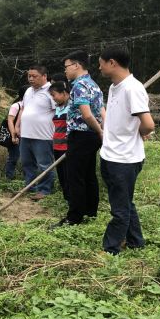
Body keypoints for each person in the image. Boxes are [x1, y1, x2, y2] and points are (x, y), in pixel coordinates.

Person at [98, 45, 154, 255]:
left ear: (112, 63)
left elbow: (148, 124)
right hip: (111, 155)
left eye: (101, 63)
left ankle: (110, 249)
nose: (100, 68)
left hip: (125, 159)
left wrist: (137, 133)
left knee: (120, 210)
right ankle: (136, 241)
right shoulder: (115, 86)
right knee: (124, 203)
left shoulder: (133, 88)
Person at [53, 51, 105, 227]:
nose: (65, 71)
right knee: (89, 174)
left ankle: (74, 217)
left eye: (66, 67)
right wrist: (101, 130)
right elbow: (101, 111)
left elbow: (87, 114)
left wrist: (100, 131)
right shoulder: (94, 85)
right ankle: (90, 211)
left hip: (81, 134)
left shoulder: (79, 86)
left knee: (74, 176)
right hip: (91, 137)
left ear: (76, 65)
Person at [14, 65, 56, 201]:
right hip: (26, 134)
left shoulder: (51, 91)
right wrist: (17, 125)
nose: (31, 79)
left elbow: (59, 110)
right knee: (27, 162)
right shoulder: (28, 91)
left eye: (34, 76)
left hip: (43, 135)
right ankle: (30, 186)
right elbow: (23, 109)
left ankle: (44, 190)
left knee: (44, 164)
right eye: (29, 76)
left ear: (44, 76)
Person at [48, 77, 70, 202]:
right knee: (61, 175)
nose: (53, 98)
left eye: (54, 95)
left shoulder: (72, 107)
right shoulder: (58, 108)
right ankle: (67, 199)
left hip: (67, 147)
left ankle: (73, 200)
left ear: (64, 93)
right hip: (57, 146)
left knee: (69, 175)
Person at [5, 85, 29, 180]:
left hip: (28, 135)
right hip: (17, 136)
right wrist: (13, 135)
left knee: (27, 159)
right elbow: (10, 120)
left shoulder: (30, 105)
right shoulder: (16, 106)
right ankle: (9, 178)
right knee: (13, 158)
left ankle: (27, 179)